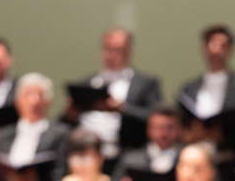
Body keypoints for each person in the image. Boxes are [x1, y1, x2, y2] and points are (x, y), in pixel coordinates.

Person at [64, 27, 164, 162]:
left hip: (125, 155)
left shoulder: (145, 83)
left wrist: (123, 109)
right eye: (107, 49)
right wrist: (70, 114)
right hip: (86, 154)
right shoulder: (86, 83)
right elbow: (64, 123)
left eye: (118, 50)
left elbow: (156, 118)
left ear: (128, 51)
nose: (111, 54)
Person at [176, 24, 235, 159]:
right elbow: (180, 127)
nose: (216, 50)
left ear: (231, 49)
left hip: (228, 160)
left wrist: (220, 135)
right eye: (211, 44)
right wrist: (191, 134)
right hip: (194, 158)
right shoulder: (188, 88)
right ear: (204, 49)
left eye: (222, 45)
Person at [0, 72, 69, 181]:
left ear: (48, 101)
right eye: (28, 94)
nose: (34, 101)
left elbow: (59, 174)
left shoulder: (60, 134)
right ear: (17, 101)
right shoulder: (1, 136)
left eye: (40, 95)